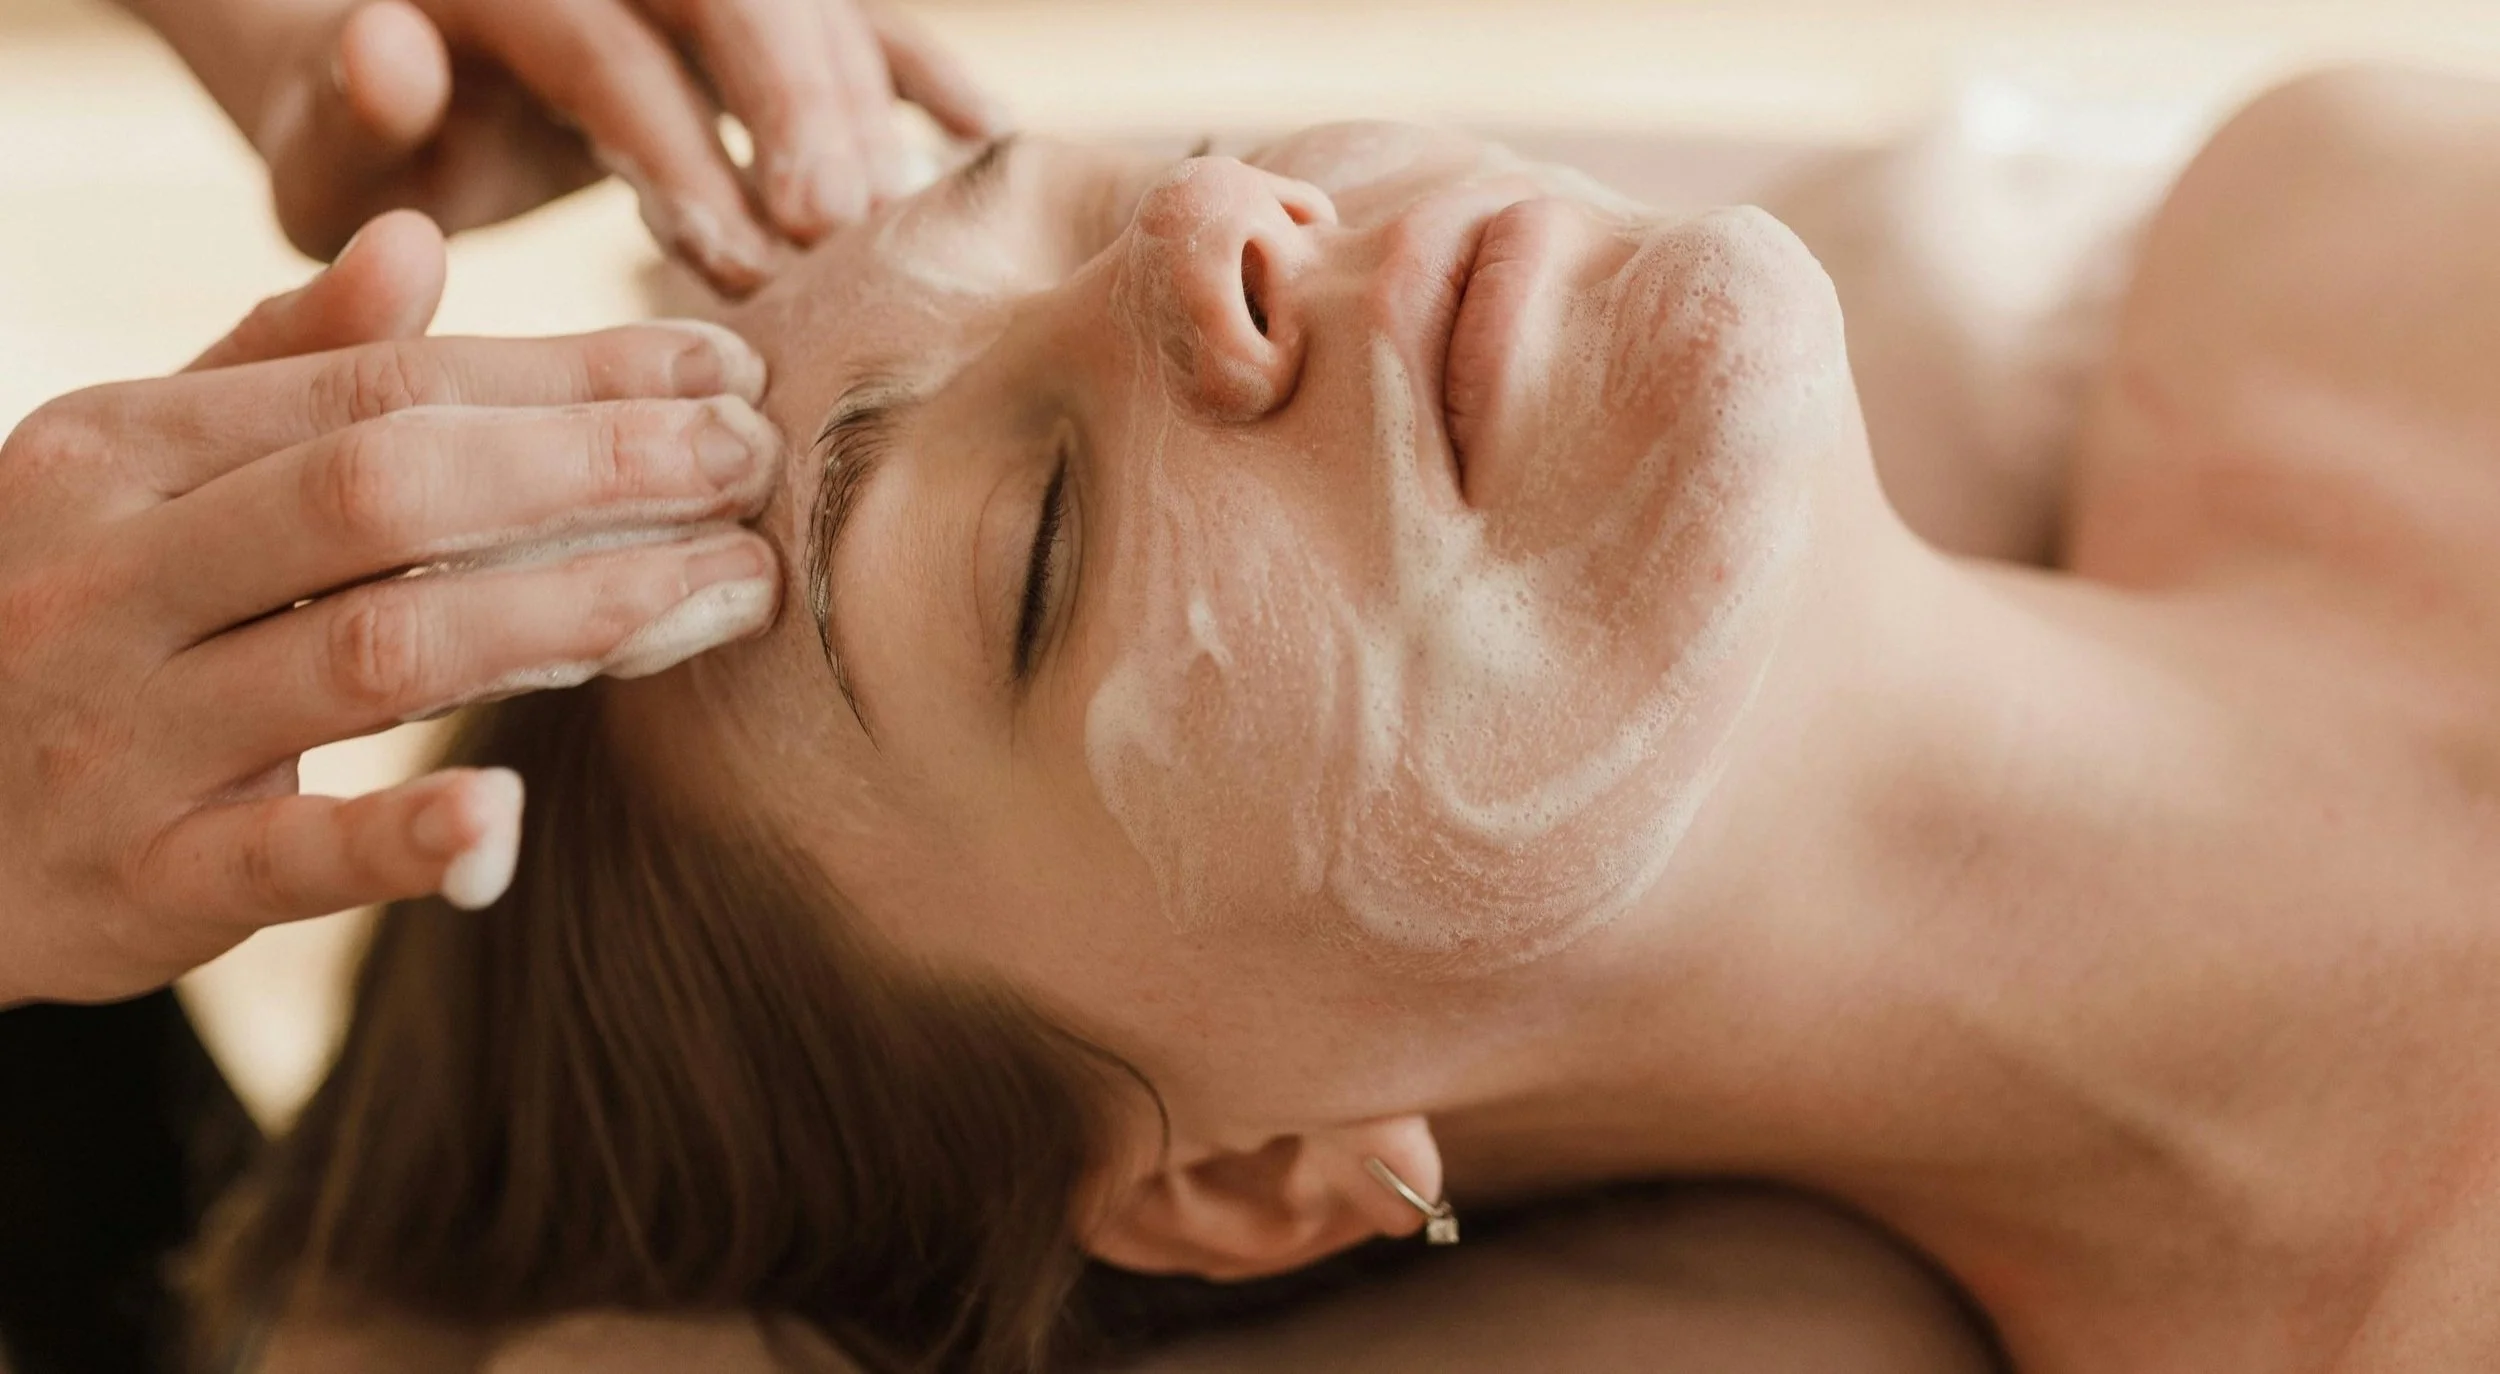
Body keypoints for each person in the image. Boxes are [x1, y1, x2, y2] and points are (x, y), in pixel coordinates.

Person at [192, 63, 2500, 1374]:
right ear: (1244, 1182)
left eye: (1085, 195)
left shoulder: (2329, 237)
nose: (1220, 221)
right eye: (1035, 548)